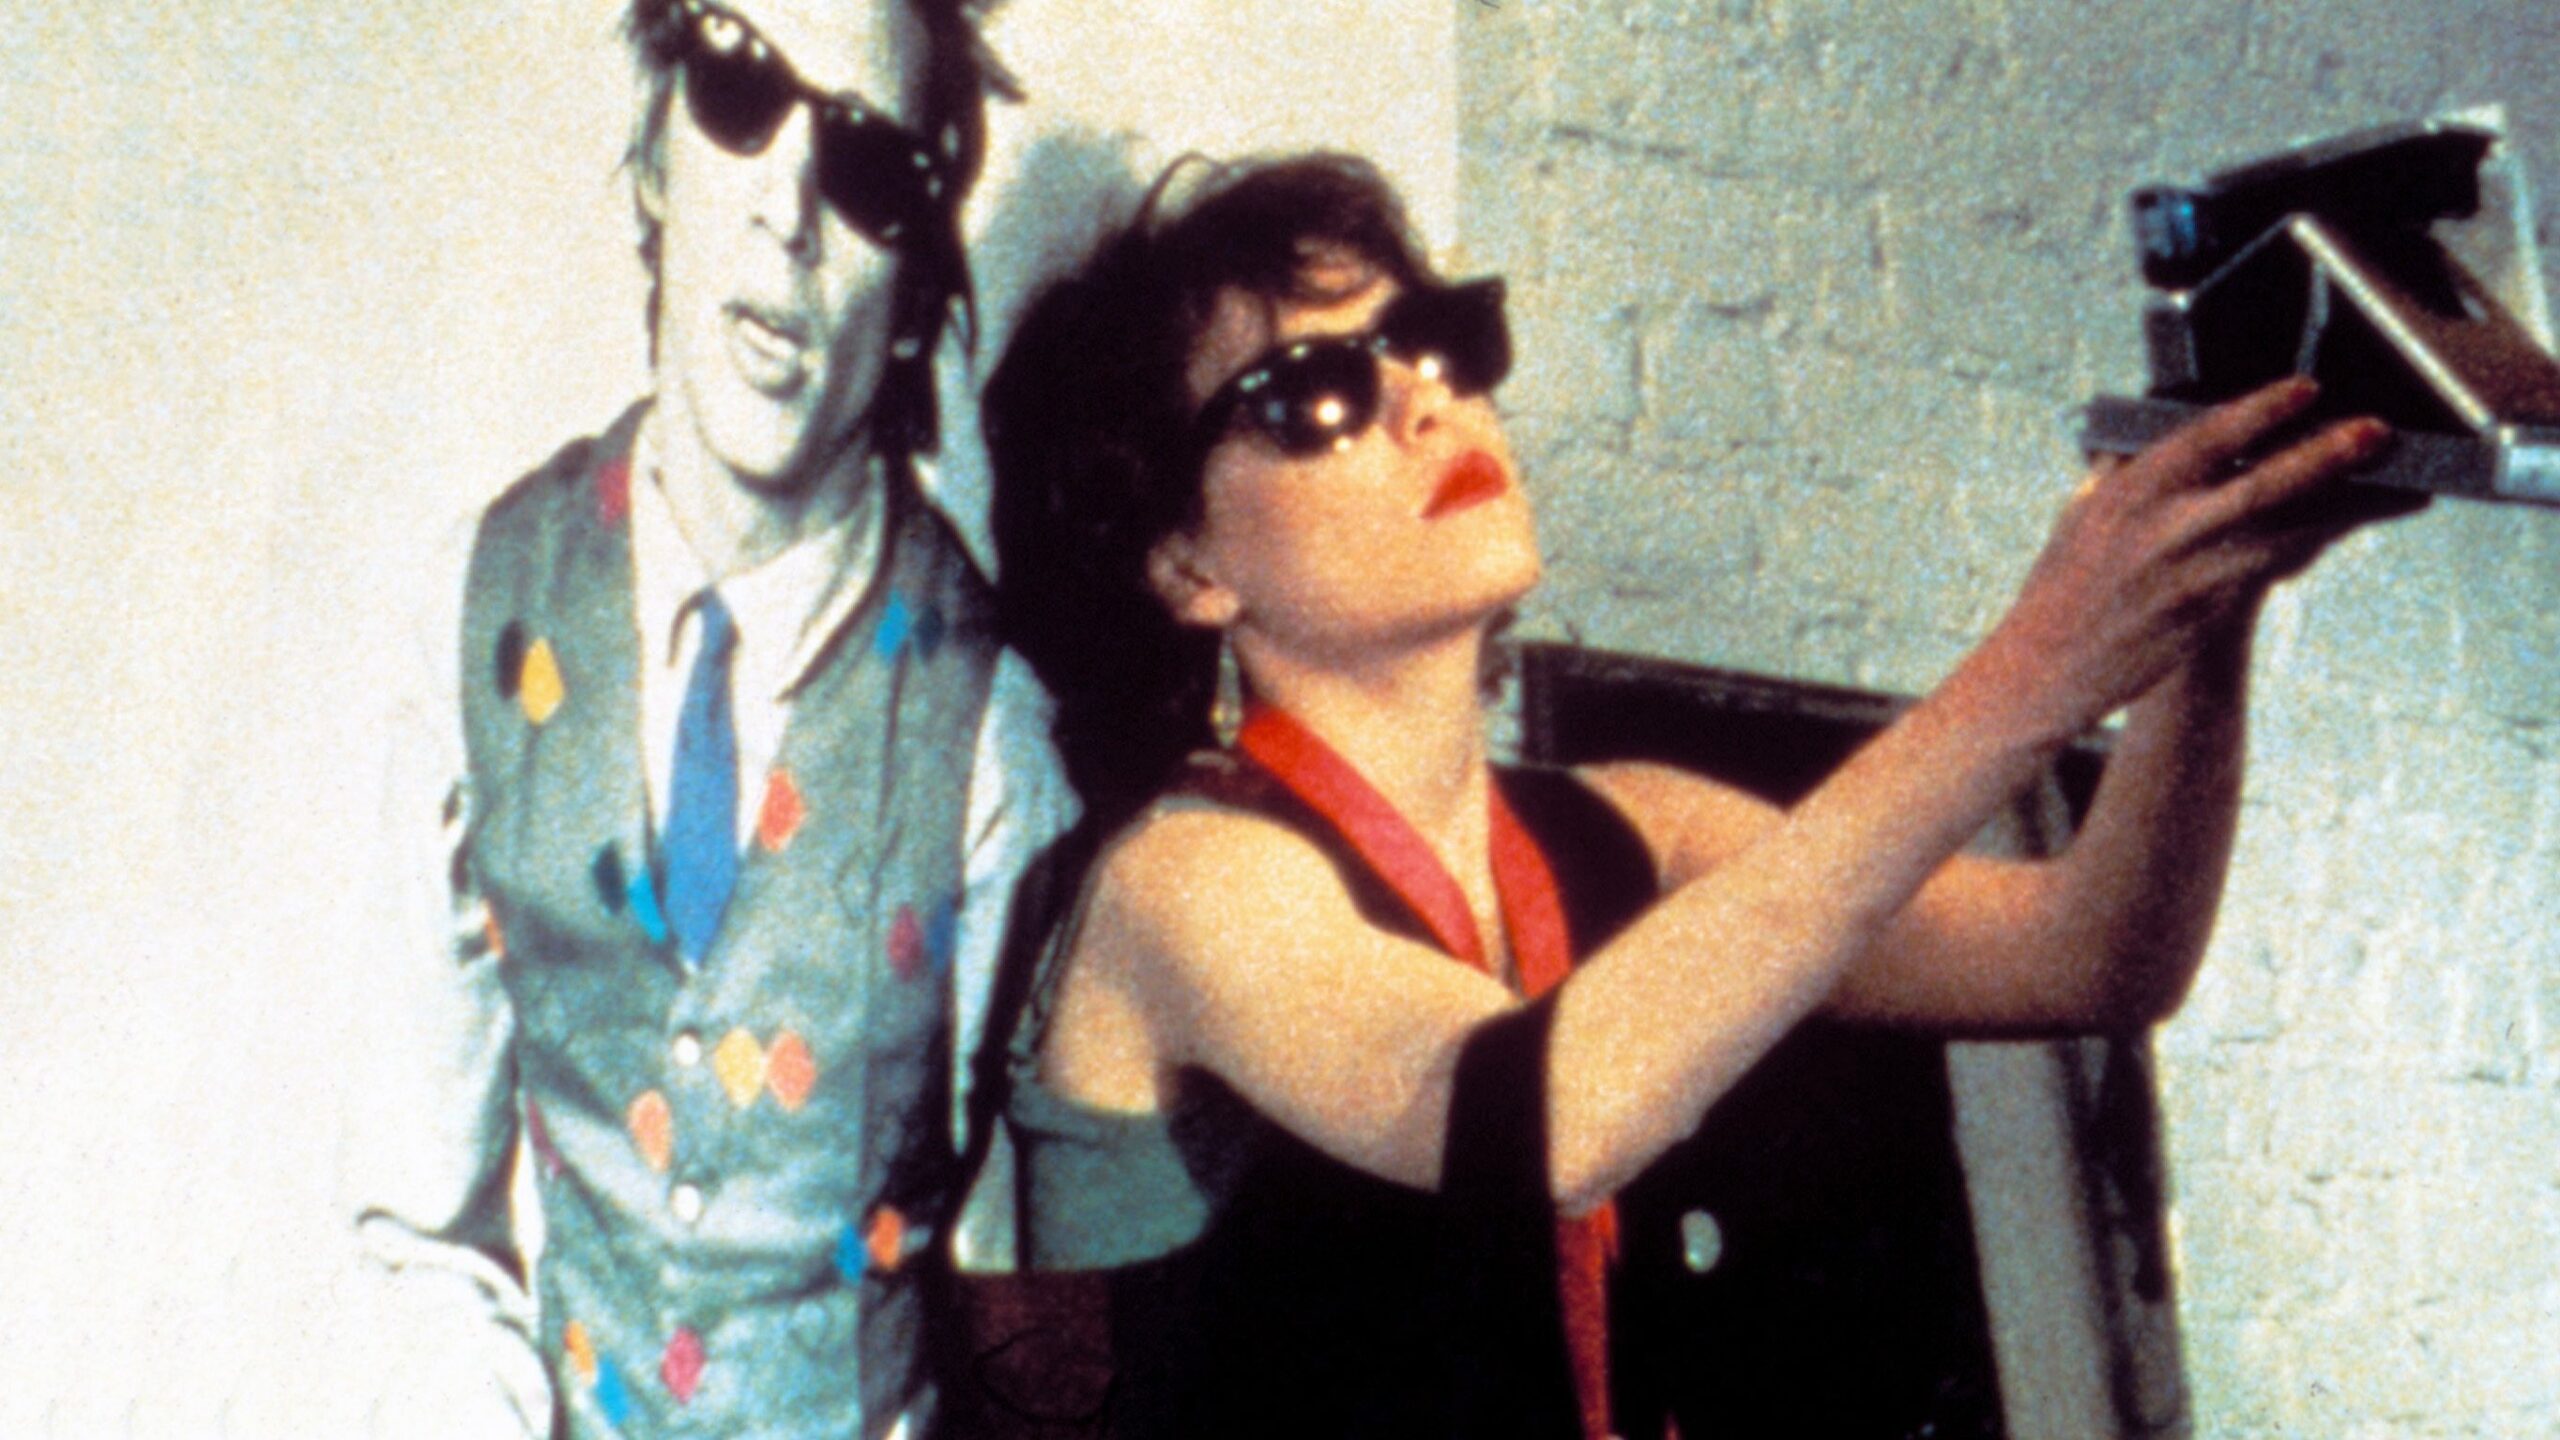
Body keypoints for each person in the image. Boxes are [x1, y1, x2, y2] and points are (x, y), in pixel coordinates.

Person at [981, 154, 2419, 1439]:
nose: (1427, 398)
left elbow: (2093, 952)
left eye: (1435, 339)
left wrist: (2208, 598)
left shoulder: (1621, 827)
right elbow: (1542, 1120)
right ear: (1188, 567)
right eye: (1317, 393)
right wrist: (2040, 665)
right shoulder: (1188, 879)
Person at [351, 1, 1074, 1436]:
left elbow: (1021, 1296)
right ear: (653, 157)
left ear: (915, 289)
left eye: (868, 164)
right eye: (740, 88)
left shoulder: (997, 744)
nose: (788, 209)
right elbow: (419, 1232)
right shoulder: (476, 606)